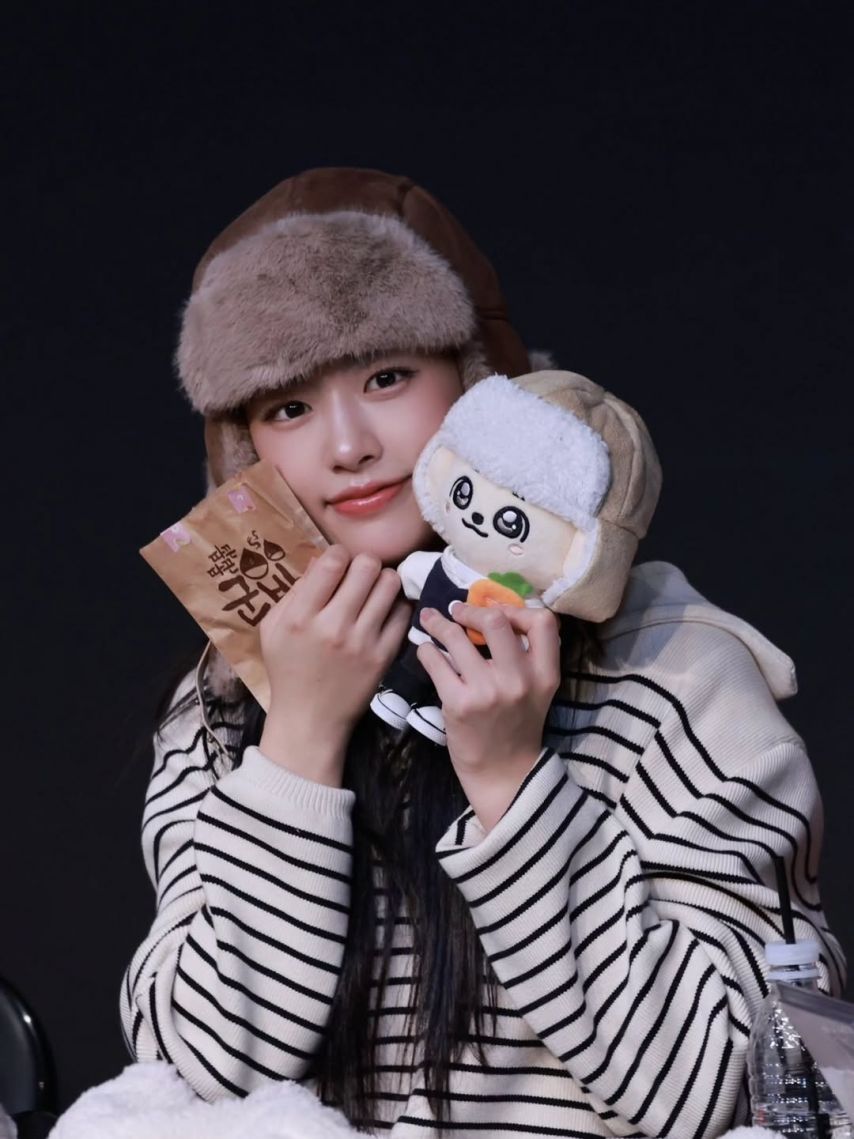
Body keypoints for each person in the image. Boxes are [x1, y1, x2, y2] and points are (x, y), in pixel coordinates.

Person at [121, 166, 845, 1138]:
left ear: (482, 390)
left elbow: (726, 1087)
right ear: (243, 452)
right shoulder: (219, 706)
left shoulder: (669, 669)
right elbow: (195, 1078)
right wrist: (298, 737)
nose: (346, 444)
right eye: (287, 407)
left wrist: (510, 780)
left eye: (386, 377)